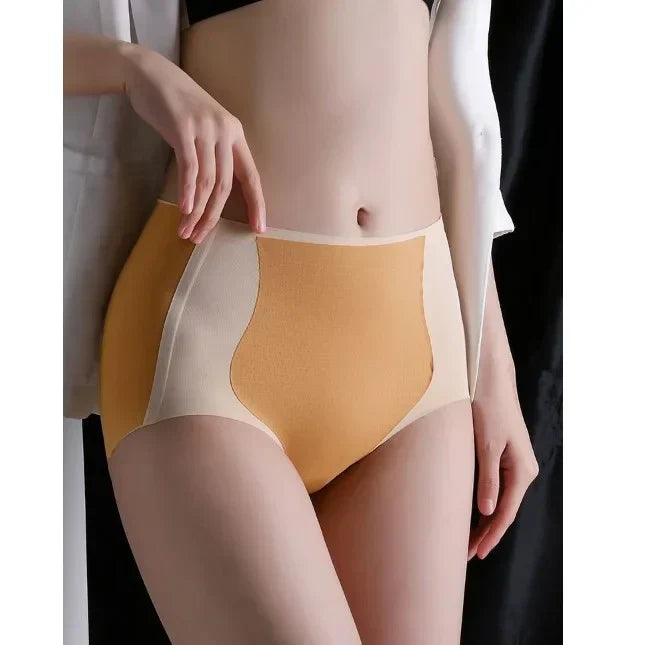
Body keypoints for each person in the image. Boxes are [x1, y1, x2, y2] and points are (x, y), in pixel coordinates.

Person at [63, 1, 539, 643]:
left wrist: (492, 368)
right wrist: (133, 68)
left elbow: (448, 110)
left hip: (421, 349)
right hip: (215, 335)